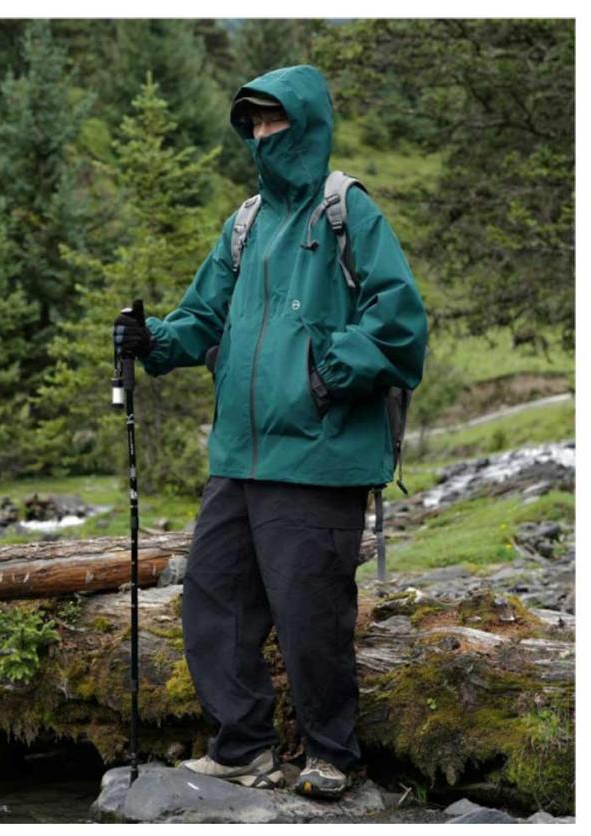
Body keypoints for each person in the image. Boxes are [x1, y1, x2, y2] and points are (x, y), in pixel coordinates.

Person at [113, 64, 427, 799]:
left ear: (306, 122)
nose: (261, 134)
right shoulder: (245, 223)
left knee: (310, 614)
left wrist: (325, 371)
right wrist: (151, 341)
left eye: (273, 119)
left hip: (319, 456)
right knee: (213, 602)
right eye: (252, 123)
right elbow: (202, 318)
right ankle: (242, 749)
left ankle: (331, 756)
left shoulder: (348, 211)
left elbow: (400, 326)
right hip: (239, 457)